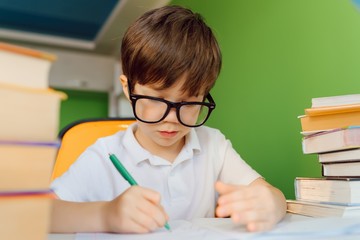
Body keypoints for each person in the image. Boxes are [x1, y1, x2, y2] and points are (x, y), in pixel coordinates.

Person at [50, 5, 286, 234]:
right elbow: (44, 212)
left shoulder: (213, 146)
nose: (172, 119)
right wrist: (106, 215)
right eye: (157, 99)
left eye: (189, 102)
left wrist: (272, 204)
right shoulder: (104, 156)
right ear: (127, 88)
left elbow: (269, 194)